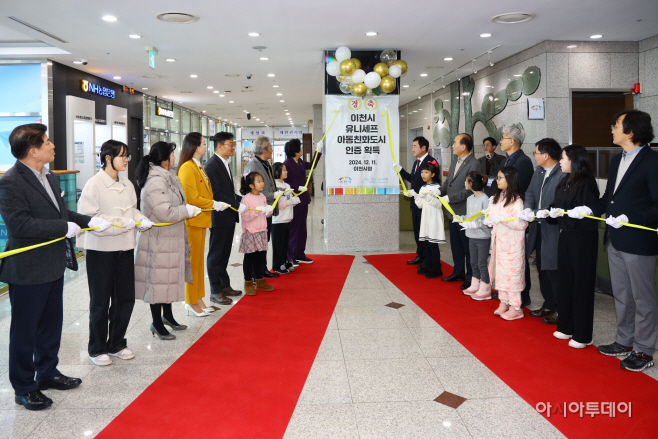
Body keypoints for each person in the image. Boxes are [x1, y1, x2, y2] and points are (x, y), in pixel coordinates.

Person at [0, 124, 108, 410]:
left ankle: (47, 373)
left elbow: (62, 212)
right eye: (47, 142)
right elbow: (20, 225)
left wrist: (87, 221)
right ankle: (24, 387)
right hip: (28, 269)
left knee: (51, 325)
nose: (53, 146)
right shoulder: (11, 181)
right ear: (33, 151)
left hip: (53, 265)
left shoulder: (49, 176)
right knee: (25, 331)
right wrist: (64, 227)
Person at [588, 110, 658, 371]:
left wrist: (630, 216)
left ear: (630, 132)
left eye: (616, 125)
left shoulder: (653, 162)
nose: (612, 129)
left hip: (639, 241)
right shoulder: (618, 161)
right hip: (615, 238)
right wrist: (590, 209)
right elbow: (610, 199)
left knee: (643, 299)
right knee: (622, 295)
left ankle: (644, 350)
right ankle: (624, 340)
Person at [78, 140, 154, 366]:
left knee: (125, 299)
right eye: (121, 156)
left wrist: (141, 221)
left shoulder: (127, 184)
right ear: (108, 157)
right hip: (101, 250)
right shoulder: (94, 184)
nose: (126, 160)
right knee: (100, 302)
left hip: (124, 247)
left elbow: (132, 210)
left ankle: (117, 343)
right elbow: (90, 218)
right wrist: (122, 221)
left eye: (127, 156)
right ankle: (97, 347)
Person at [134, 141, 201, 340]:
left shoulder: (167, 176)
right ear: (164, 160)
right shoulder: (155, 180)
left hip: (170, 238)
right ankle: (156, 323)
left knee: (168, 279)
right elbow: (165, 212)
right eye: (172, 155)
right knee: (158, 281)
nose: (175, 157)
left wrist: (185, 209)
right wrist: (186, 211)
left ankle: (168, 317)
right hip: (159, 241)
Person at [541, 144, 599, 349]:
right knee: (565, 281)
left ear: (574, 160)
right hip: (565, 236)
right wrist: (548, 213)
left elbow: (591, 211)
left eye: (564, 158)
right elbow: (558, 206)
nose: (561, 161)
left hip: (583, 239)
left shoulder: (586, 182)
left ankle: (583, 334)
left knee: (581, 285)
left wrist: (582, 212)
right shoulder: (565, 181)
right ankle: (566, 325)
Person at [178, 132, 227, 316]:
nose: (206, 147)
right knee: (193, 264)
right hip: (192, 221)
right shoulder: (186, 168)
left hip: (201, 220)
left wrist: (213, 203)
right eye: (203, 144)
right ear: (195, 147)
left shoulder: (198, 166)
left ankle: (198, 298)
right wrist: (214, 204)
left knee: (198, 263)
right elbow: (192, 198)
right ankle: (190, 300)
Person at [517, 139, 564, 324]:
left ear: (545, 155)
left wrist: (536, 213)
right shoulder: (538, 171)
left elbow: (557, 203)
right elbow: (529, 192)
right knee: (542, 268)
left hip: (553, 228)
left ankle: (560, 308)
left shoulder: (562, 174)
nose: (534, 155)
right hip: (537, 226)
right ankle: (549, 304)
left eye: (536, 152)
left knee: (554, 269)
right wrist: (528, 209)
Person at [496, 125, 534, 307]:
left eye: (503, 138)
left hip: (514, 214)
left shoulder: (523, 162)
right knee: (504, 259)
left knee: (518, 258)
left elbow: (519, 188)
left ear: (512, 141)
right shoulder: (506, 161)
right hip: (503, 214)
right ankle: (506, 292)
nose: (500, 141)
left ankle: (522, 295)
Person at [439, 133, 482, 290]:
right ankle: (458, 272)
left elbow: (472, 190)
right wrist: (437, 192)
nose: (452, 145)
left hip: (465, 212)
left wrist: (451, 198)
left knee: (467, 246)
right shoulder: (454, 162)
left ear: (463, 146)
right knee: (456, 246)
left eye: (455, 143)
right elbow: (447, 184)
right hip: (452, 212)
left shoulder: (474, 164)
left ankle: (471, 277)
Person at [205, 132, 244, 304]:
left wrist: (244, 200)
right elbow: (217, 194)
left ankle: (224, 285)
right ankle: (215, 290)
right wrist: (238, 204)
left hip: (228, 216)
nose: (233, 147)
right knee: (216, 254)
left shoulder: (225, 163)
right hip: (219, 217)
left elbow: (228, 192)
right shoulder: (212, 165)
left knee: (225, 253)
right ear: (219, 146)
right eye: (230, 144)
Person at [484, 166, 527, 320]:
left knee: (512, 274)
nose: (497, 180)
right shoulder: (497, 198)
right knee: (500, 273)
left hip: (512, 244)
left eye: (500, 177)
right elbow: (492, 216)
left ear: (510, 180)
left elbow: (522, 224)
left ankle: (516, 307)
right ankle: (504, 301)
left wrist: (503, 220)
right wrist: (489, 220)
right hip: (499, 243)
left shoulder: (517, 200)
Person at [396, 136, 435, 266]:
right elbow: (413, 179)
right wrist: (400, 171)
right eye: (412, 146)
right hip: (415, 203)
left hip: (425, 203)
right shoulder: (416, 162)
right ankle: (420, 255)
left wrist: (420, 194)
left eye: (414, 146)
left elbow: (433, 183)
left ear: (423, 148)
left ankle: (427, 259)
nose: (412, 149)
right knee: (418, 231)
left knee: (425, 233)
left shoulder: (431, 162)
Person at [244, 135, 279, 278]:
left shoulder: (266, 163)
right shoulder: (253, 165)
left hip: (267, 210)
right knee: (255, 245)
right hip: (257, 211)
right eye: (270, 148)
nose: (271, 151)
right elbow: (252, 188)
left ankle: (262, 269)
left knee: (264, 240)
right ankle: (253, 274)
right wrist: (273, 194)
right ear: (264, 150)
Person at [283, 138, 322, 265]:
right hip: (294, 199)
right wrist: (297, 187)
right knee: (294, 228)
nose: (301, 149)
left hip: (303, 199)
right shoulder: (287, 164)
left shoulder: (299, 161)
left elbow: (311, 165)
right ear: (295, 151)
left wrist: (318, 151)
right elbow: (284, 182)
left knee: (302, 228)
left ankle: (300, 253)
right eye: (299, 148)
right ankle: (291, 255)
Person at [239, 172, 275, 295]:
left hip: (261, 231)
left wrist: (268, 211)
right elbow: (245, 217)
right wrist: (256, 212)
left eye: (262, 181)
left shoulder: (263, 197)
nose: (262, 183)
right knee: (250, 258)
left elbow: (264, 214)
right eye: (258, 181)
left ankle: (260, 281)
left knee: (261, 257)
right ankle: (248, 282)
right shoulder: (246, 199)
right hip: (251, 232)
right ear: (251, 185)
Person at [460, 172, 492, 299]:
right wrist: (461, 219)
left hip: (482, 237)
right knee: (473, 262)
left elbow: (487, 220)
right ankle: (475, 284)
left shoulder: (485, 199)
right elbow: (469, 216)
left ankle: (485, 288)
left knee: (481, 263)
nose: (465, 183)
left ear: (471, 183)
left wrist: (476, 224)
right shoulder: (469, 198)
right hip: (471, 236)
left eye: (466, 181)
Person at [413, 161, 445, 278]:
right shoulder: (423, 187)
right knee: (426, 242)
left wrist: (429, 198)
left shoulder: (437, 188)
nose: (423, 174)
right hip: (426, 217)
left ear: (433, 174)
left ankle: (436, 268)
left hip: (434, 218)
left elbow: (439, 204)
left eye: (426, 172)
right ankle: (428, 264)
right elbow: (420, 205)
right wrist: (416, 196)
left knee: (433, 244)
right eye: (422, 172)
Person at [272, 162, 301, 274]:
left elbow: (289, 201)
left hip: (287, 218)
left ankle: (284, 262)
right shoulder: (274, 186)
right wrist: (290, 202)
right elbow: (277, 206)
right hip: (277, 220)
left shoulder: (287, 185)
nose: (286, 172)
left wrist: (293, 201)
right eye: (284, 170)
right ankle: (277, 265)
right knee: (278, 245)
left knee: (285, 244)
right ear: (277, 172)